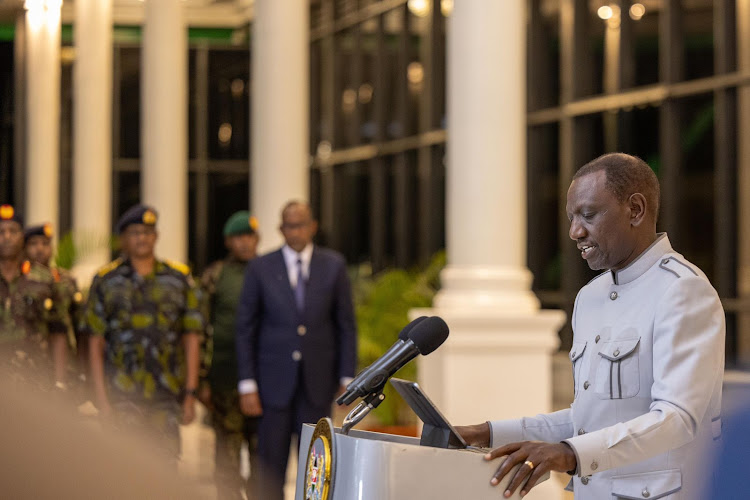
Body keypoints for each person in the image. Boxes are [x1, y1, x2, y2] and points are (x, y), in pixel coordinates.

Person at [456, 153, 725, 499]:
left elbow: (677, 418)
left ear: (636, 210)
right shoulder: (590, 297)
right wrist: (485, 433)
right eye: (571, 218)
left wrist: (570, 453)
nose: (575, 231)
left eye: (588, 215)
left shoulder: (683, 289)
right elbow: (587, 418)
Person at [235, 200, 357, 500]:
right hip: (271, 387)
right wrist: (247, 383)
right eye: (290, 225)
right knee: (269, 470)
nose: (296, 231)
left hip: (317, 386)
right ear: (280, 229)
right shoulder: (260, 267)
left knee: (316, 469)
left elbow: (346, 326)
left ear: (313, 226)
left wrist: (347, 379)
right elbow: (245, 329)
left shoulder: (333, 266)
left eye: (301, 224)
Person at [82, 204, 204, 459]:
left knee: (166, 474)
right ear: (124, 239)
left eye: (148, 232)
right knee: (123, 474)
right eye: (135, 232)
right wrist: (102, 400)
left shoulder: (177, 279)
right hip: (121, 397)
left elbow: (191, 337)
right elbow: (95, 342)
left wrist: (191, 394)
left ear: (156, 236)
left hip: (166, 395)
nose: (142, 238)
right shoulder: (106, 280)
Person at [200, 210, 261, 500]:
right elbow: (199, 329)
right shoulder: (216, 275)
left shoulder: (270, 272)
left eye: (250, 236)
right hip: (225, 380)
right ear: (228, 241)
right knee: (226, 461)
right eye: (239, 237)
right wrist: (202, 379)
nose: (245, 243)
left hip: (266, 384)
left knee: (265, 462)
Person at [0, 205, 69, 389]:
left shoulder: (45, 280)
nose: (7, 237)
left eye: (13, 231)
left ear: (22, 237)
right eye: (1, 232)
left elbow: (58, 332)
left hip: (36, 383)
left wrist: (60, 382)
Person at [24, 223, 87, 384]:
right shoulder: (20, 281)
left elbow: (78, 324)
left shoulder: (66, 279)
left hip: (66, 363)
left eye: (45, 244)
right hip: (30, 363)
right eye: (33, 244)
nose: (40, 249)